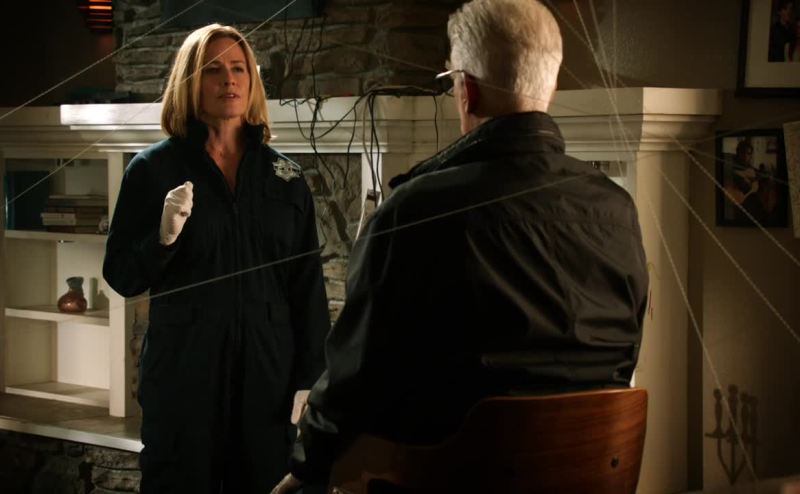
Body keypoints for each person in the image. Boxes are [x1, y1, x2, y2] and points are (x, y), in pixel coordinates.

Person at [272, 0, 649, 492]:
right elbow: (623, 354)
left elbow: (356, 376)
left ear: (466, 90)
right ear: (551, 86)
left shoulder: (414, 210)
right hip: (591, 473)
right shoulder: (618, 207)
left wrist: (305, 466)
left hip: (450, 476)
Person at [102, 24, 330, 493]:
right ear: (190, 82)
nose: (228, 79)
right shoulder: (152, 170)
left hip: (267, 385)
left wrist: (312, 377)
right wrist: (162, 240)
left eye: (239, 68)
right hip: (183, 383)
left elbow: (308, 286)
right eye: (213, 69)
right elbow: (122, 275)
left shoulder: (286, 177)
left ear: (251, 81)